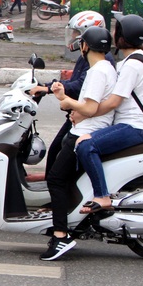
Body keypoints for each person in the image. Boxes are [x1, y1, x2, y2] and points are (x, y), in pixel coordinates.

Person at [41, 26, 117, 261]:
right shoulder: (108, 68)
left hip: (85, 132)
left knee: (55, 179)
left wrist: (65, 101)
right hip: (90, 128)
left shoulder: (97, 72)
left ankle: (61, 235)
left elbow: (90, 108)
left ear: (85, 46)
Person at [71, 15, 143, 214]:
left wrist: (84, 114)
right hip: (130, 125)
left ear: (123, 37)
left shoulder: (132, 65)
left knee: (85, 144)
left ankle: (102, 195)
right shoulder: (135, 60)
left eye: (117, 31)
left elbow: (113, 102)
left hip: (134, 127)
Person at [28, 11, 114, 171]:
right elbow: (75, 82)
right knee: (56, 150)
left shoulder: (101, 62)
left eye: (77, 33)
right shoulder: (88, 57)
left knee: (57, 154)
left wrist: (48, 89)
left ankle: (55, 189)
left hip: (86, 120)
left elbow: (79, 86)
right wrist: (51, 86)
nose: (74, 37)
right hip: (79, 115)